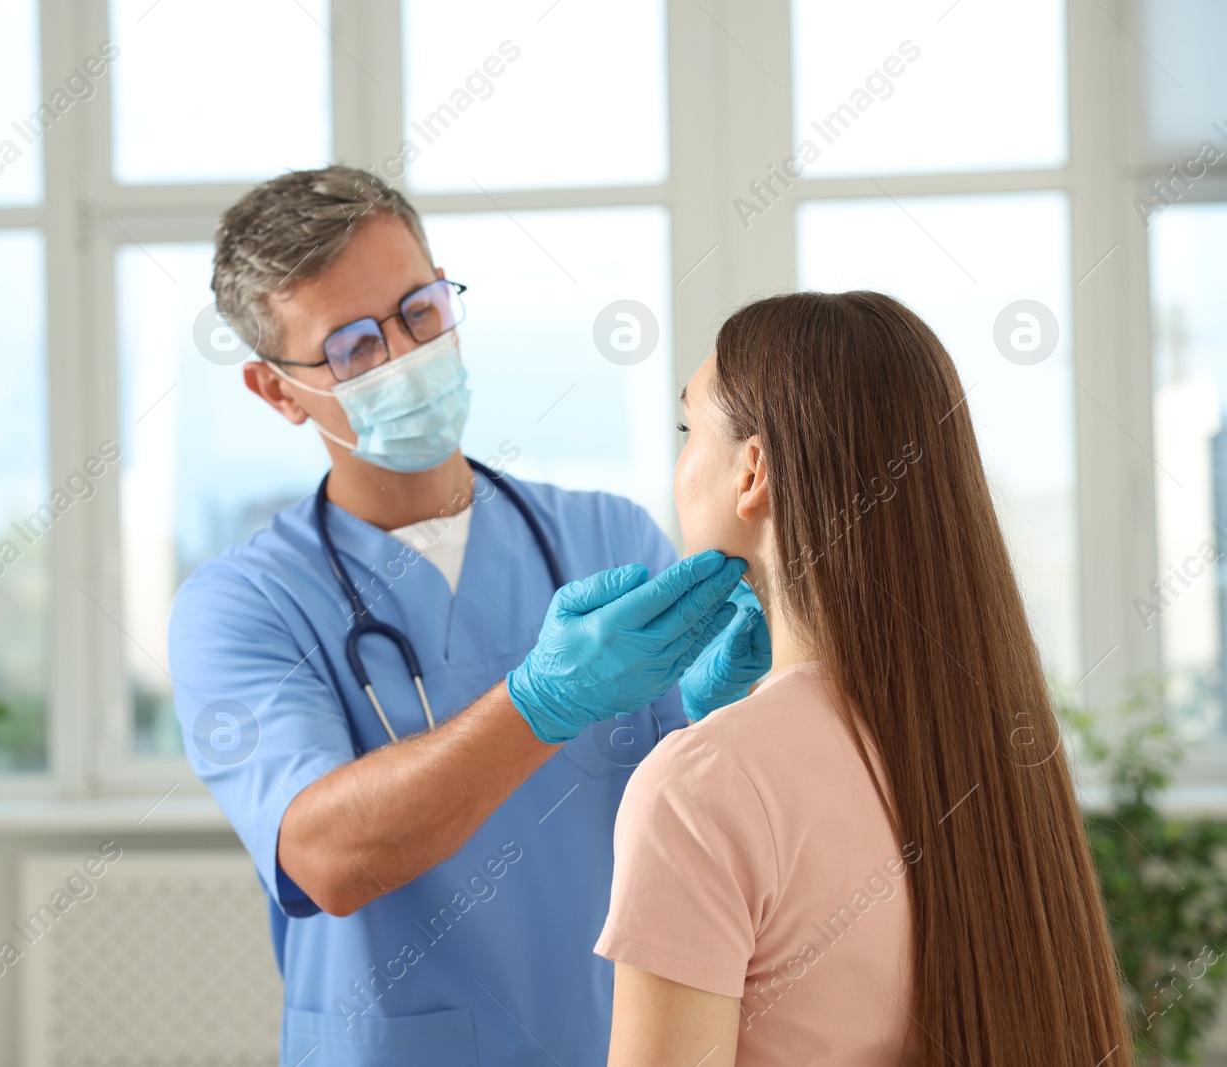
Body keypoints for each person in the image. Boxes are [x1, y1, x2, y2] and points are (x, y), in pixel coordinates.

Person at [168, 166, 765, 1066]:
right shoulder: (240, 605)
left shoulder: (608, 533)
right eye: (353, 345)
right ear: (277, 390)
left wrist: (720, 707)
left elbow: (680, 787)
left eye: (420, 309)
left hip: (602, 1035)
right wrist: (539, 702)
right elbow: (323, 857)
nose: (405, 355)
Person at [596, 290, 1133, 1066]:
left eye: (689, 430)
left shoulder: (700, 788)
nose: (678, 463)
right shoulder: (990, 741)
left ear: (755, 472)